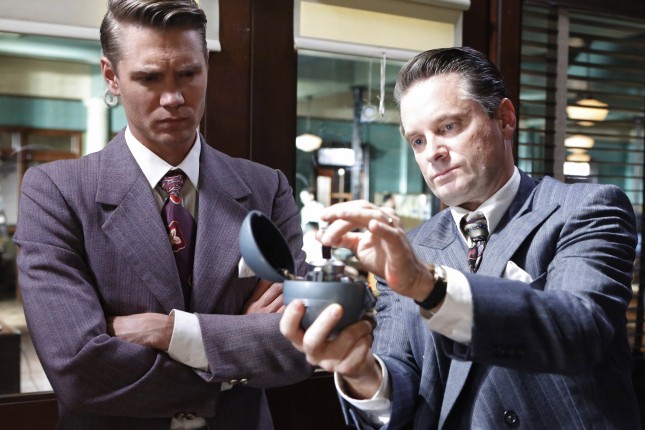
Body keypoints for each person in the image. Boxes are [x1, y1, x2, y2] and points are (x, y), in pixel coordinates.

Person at [280, 46, 642, 429]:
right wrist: (361, 373)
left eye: (448, 127)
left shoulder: (585, 209)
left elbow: (579, 329)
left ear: (505, 119)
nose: (432, 153)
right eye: (418, 141)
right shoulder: (413, 248)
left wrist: (427, 284)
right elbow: (402, 375)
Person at [13, 0, 311, 428]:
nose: (173, 98)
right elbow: (77, 367)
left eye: (188, 74)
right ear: (111, 76)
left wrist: (169, 332)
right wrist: (234, 352)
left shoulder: (267, 188)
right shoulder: (56, 191)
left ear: (207, 66)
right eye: (149, 78)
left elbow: (302, 344)